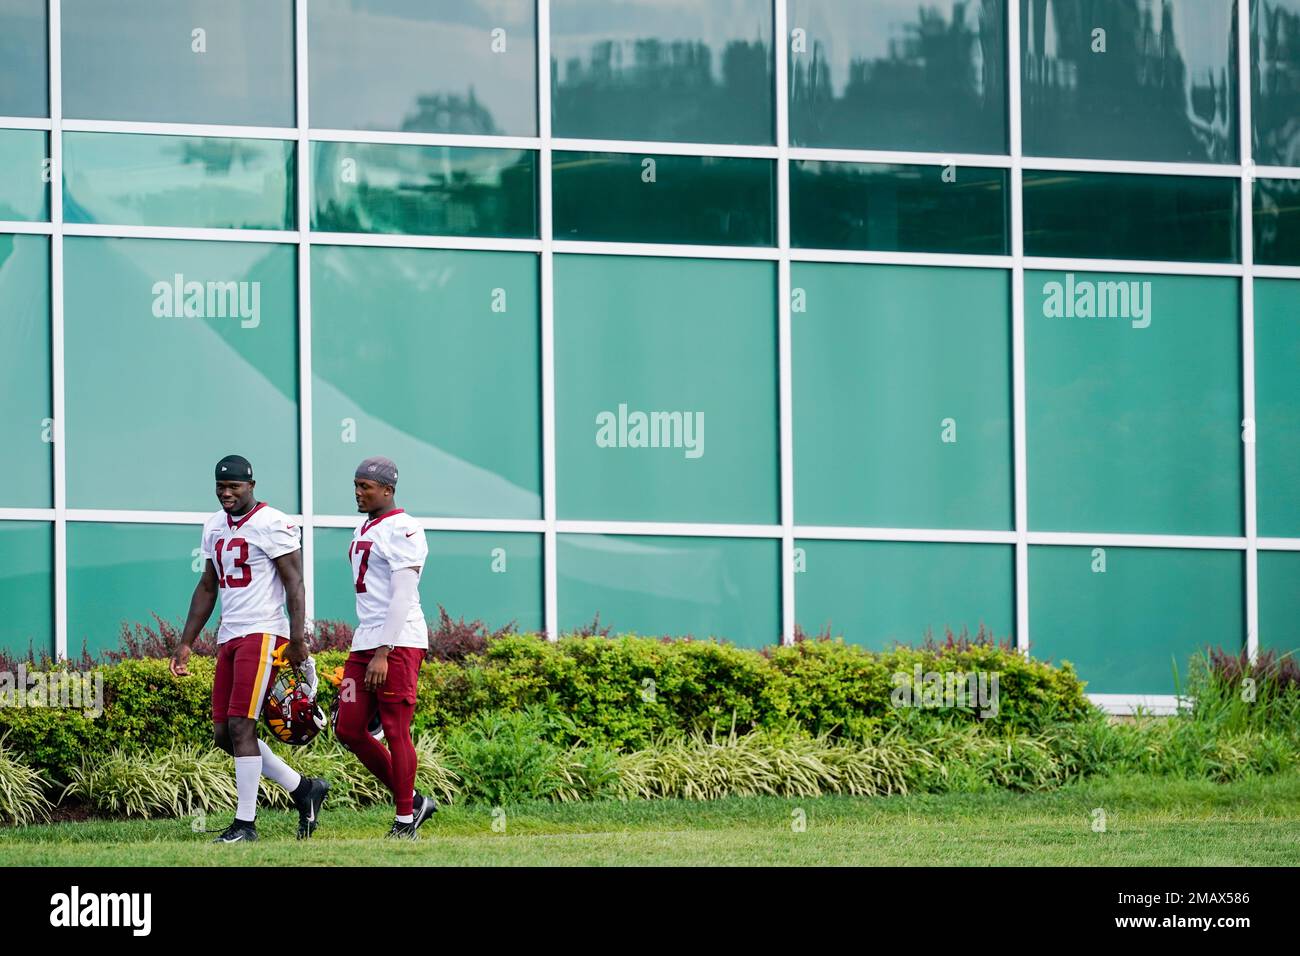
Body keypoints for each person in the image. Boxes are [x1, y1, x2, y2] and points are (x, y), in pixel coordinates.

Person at [169, 455, 330, 842]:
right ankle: (304, 789)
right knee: (224, 734)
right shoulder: (213, 526)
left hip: (263, 634)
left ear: (251, 485)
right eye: (220, 487)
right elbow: (209, 586)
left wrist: (298, 639)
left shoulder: (273, 523)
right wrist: (186, 642)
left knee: (243, 725)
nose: (226, 493)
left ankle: (245, 825)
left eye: (234, 487)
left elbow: (295, 584)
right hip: (230, 635)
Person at [336, 456, 437, 838]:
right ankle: (412, 800)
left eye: (366, 487)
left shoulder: (405, 529)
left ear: (388, 490)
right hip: (365, 638)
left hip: (398, 640)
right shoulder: (366, 525)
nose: (358, 493)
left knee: (396, 730)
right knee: (348, 728)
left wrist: (384, 650)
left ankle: (404, 820)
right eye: (357, 485)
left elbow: (402, 595)